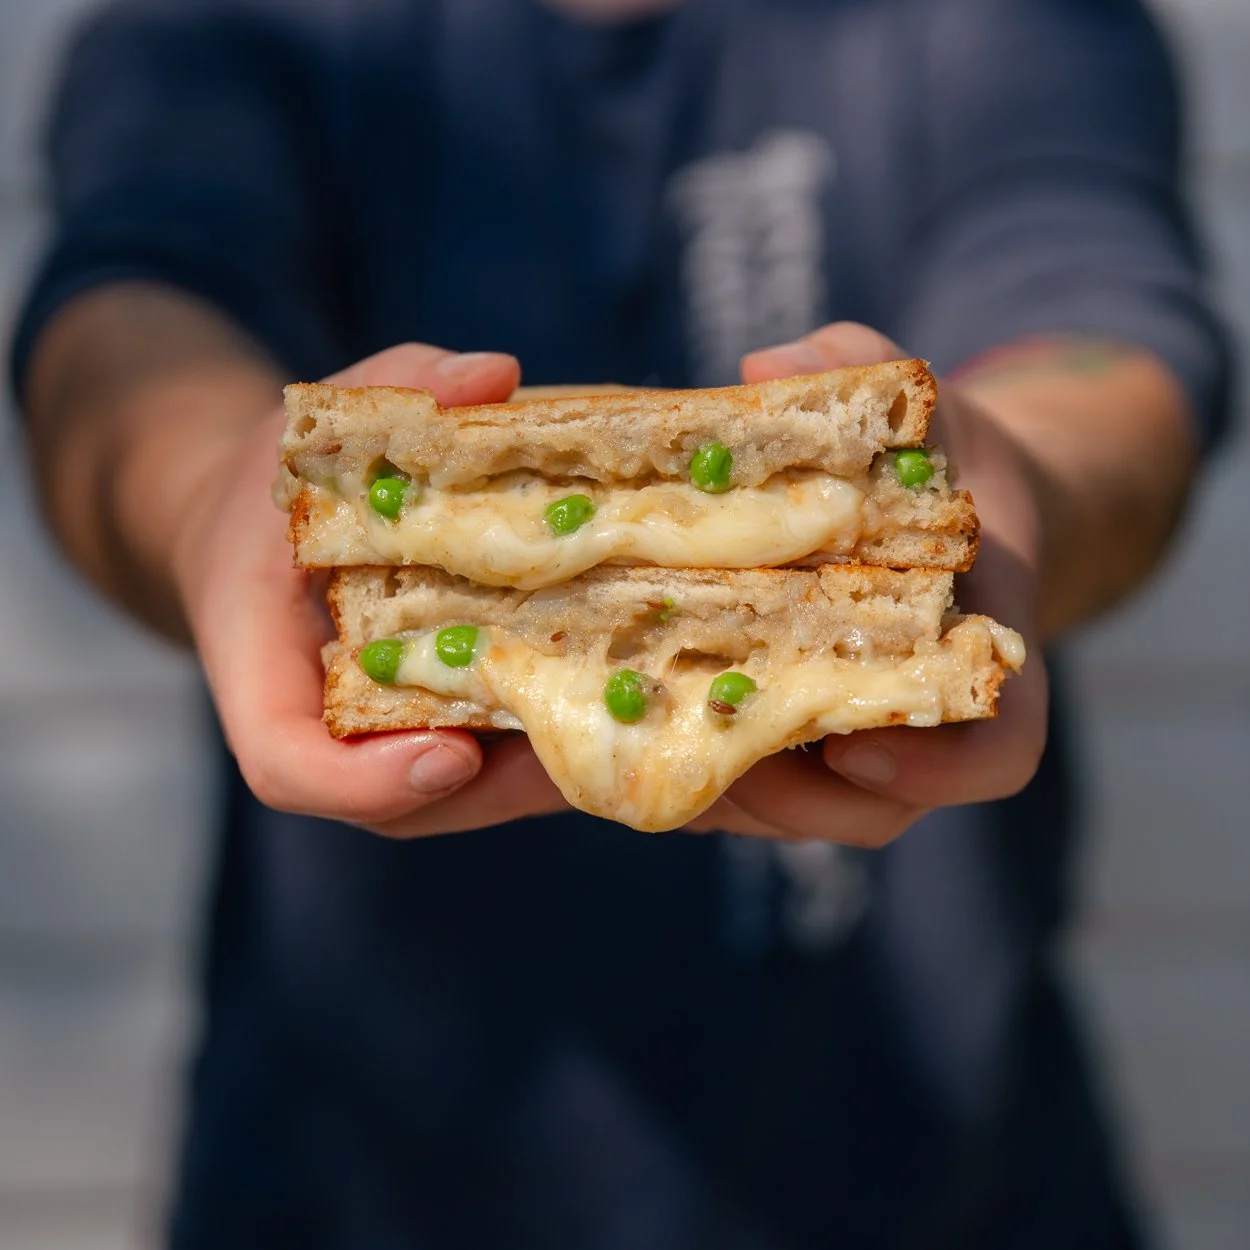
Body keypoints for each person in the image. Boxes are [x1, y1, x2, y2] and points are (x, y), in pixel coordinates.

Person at [9, 0, 1229, 1246]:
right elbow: (132, 321)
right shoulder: (225, 21)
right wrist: (210, 494)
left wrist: (1021, 485)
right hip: (343, 1188)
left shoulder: (997, 21)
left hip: (952, 1186)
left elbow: (1097, 336)